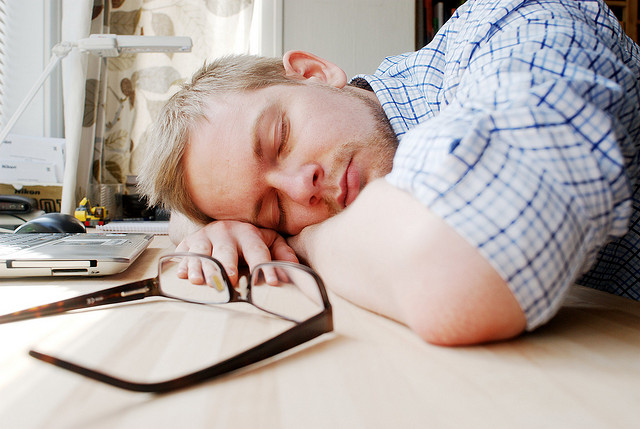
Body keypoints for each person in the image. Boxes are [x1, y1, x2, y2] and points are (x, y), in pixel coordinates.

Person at [138, 0, 640, 346]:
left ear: (314, 72)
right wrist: (215, 230)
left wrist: (309, 244)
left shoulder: (510, 22)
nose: (300, 187)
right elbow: (183, 218)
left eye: (281, 139)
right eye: (271, 210)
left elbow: (460, 269)